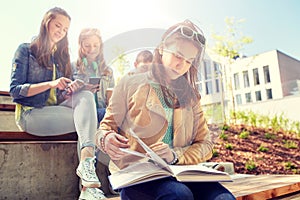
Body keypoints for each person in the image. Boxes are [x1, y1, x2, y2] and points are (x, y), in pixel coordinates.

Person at [96, 19, 235, 200]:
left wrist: (175, 156)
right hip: (140, 176)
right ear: (161, 48)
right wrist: (106, 138)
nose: (182, 65)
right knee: (179, 195)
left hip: (180, 172)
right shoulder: (129, 83)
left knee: (224, 199)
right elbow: (105, 128)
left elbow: (205, 144)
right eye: (178, 55)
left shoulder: (191, 97)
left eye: (188, 61)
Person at [9, 7, 106, 200]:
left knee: (86, 98)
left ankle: (87, 169)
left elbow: (62, 96)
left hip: (56, 111)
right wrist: (50, 84)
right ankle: (89, 189)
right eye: (58, 25)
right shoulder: (26, 50)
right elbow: (15, 91)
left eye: (65, 29)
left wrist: (74, 88)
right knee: (88, 120)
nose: (61, 31)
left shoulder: (61, 58)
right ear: (47, 24)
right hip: (32, 114)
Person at [72, 28, 114, 124]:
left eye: (95, 45)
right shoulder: (72, 67)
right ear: (81, 46)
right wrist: (82, 89)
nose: (92, 49)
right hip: (81, 111)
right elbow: (65, 96)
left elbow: (111, 97)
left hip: (101, 110)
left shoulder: (108, 71)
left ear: (100, 46)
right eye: (87, 46)